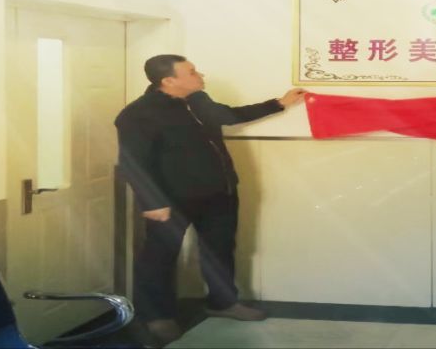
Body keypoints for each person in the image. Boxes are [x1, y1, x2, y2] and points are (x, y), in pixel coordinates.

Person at [115, 54, 306, 345]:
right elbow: (132, 162)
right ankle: (157, 317)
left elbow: (228, 116)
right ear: (169, 80)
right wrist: (151, 202)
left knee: (220, 250)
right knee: (159, 257)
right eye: (192, 72)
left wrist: (279, 103)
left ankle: (223, 302)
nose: (200, 75)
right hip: (171, 200)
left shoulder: (198, 100)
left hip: (219, 192)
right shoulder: (137, 114)